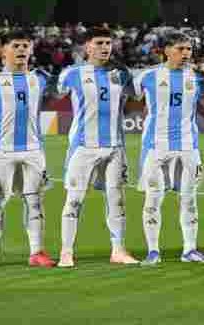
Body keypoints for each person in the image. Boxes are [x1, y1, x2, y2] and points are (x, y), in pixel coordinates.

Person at [56, 27, 138, 268]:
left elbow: (134, 97)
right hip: (83, 147)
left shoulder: (121, 74)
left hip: (115, 147)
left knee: (116, 199)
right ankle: (66, 252)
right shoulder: (72, 74)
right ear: (87, 47)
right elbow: (54, 91)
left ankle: (118, 250)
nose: (105, 47)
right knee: (74, 199)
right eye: (100, 43)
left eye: (108, 43)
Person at [0, 30, 56, 269]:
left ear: (31, 50)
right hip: (3, 150)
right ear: (4, 51)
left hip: (34, 150)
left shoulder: (41, 77)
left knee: (34, 201)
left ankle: (36, 252)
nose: (21, 50)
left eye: (25, 46)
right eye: (16, 46)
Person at [134, 32, 204, 265]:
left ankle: (190, 250)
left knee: (189, 198)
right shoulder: (147, 76)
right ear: (166, 50)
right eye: (181, 49)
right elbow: (132, 100)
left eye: (189, 49)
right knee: (153, 199)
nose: (186, 54)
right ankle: (153, 251)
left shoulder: (197, 78)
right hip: (155, 147)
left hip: (189, 147)